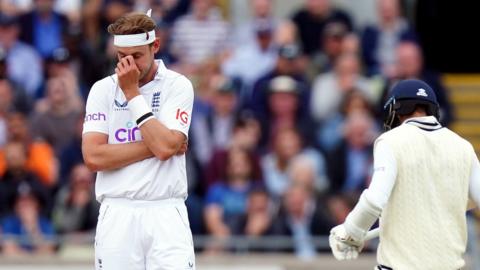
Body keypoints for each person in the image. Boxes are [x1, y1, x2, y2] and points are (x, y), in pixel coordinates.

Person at [81, 10, 195, 270]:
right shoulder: (102, 89)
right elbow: (93, 157)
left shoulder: (177, 85)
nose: (128, 66)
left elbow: (166, 148)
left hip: (166, 210)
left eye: (136, 57)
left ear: (155, 45)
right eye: (121, 57)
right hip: (118, 211)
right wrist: (156, 144)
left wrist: (132, 94)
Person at [329, 79, 480, 269]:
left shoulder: (390, 141)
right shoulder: (463, 147)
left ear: (395, 108)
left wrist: (351, 231)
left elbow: (374, 201)